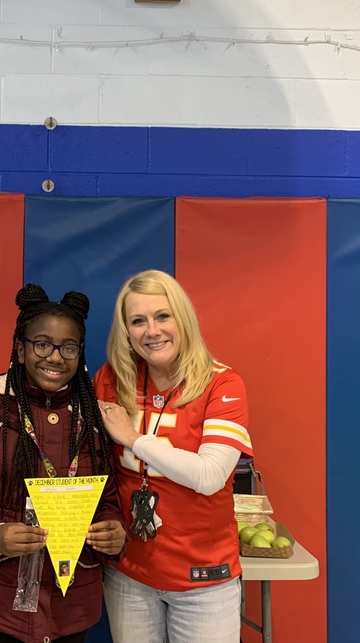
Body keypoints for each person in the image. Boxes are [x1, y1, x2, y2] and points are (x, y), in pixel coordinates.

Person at [0, 284, 127, 643]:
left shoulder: (94, 419)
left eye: (68, 347)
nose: (55, 357)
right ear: (20, 349)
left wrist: (113, 530)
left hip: (71, 608)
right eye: (42, 344)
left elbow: (108, 502)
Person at [94, 269, 254, 643]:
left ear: (182, 318)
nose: (152, 331)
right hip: (129, 573)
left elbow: (209, 475)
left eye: (162, 316)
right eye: (138, 321)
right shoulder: (111, 379)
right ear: (125, 330)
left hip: (203, 579)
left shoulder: (222, 383)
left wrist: (133, 439)